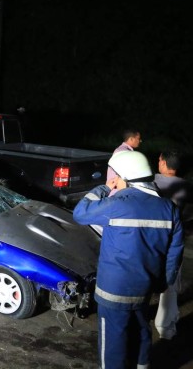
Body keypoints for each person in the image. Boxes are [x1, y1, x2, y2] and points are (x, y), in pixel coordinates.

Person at [73, 151, 184, 369]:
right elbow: (174, 253)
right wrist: (163, 282)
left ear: (127, 177)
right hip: (145, 288)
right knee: (141, 331)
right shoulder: (169, 209)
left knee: (113, 342)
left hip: (113, 291)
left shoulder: (118, 204)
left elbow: (80, 213)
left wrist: (105, 187)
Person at [154, 150, 191, 340]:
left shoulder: (152, 182)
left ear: (163, 163)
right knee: (170, 282)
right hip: (174, 241)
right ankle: (165, 326)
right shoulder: (186, 187)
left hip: (151, 240)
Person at [107, 130, 142, 196]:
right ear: (131, 139)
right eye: (138, 139)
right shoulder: (123, 152)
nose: (140, 141)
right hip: (118, 194)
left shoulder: (122, 150)